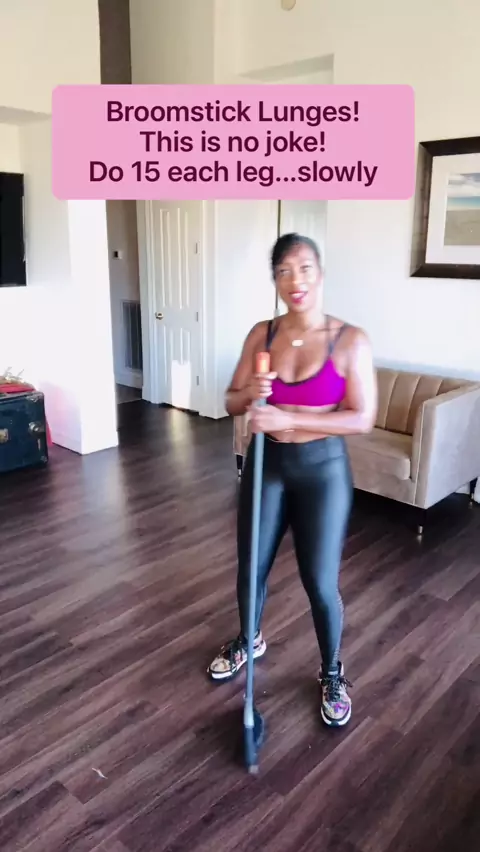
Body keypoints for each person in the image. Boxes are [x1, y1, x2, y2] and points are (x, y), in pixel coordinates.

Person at [208, 232, 377, 727]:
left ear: (320, 274)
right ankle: (250, 638)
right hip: (267, 464)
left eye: (304, 268)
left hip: (322, 471)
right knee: (250, 569)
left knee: (319, 582)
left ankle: (331, 670)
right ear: (276, 280)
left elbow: (362, 418)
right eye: (283, 271)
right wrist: (251, 394)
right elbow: (231, 401)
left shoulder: (350, 340)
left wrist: (289, 419)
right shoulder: (261, 335)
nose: (294, 279)